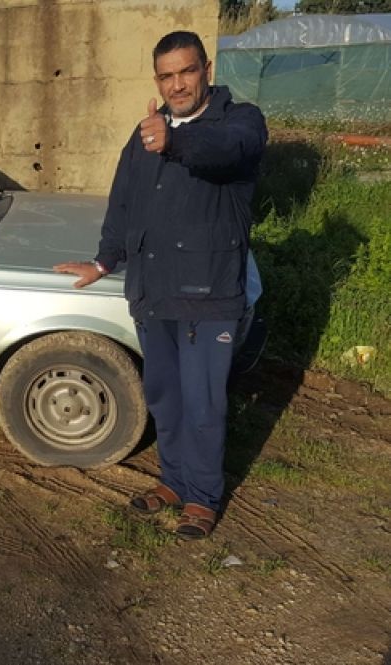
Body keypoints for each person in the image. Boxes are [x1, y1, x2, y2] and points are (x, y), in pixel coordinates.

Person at [55, 30, 267, 540]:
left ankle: (203, 496)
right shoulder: (145, 133)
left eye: (187, 71)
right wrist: (105, 262)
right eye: (167, 75)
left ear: (207, 69)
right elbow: (124, 203)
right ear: (158, 79)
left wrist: (175, 142)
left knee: (203, 403)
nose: (178, 84)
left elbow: (224, 152)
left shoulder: (240, 123)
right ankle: (174, 481)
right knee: (166, 397)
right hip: (154, 293)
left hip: (209, 295)